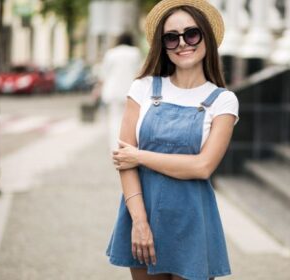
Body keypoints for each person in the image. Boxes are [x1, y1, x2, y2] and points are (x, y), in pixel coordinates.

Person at [106, 1, 239, 279]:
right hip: (142, 211)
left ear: (206, 37)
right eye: (171, 37)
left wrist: (139, 156)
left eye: (191, 34)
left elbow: (202, 166)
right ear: (162, 44)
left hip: (192, 220)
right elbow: (124, 163)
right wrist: (139, 221)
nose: (182, 44)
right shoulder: (142, 88)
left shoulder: (223, 101)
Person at [99, 33, 142, 150]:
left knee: (114, 120)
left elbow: (104, 74)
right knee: (131, 121)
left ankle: (115, 147)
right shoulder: (135, 53)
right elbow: (139, 72)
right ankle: (129, 146)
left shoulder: (111, 53)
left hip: (112, 91)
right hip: (131, 91)